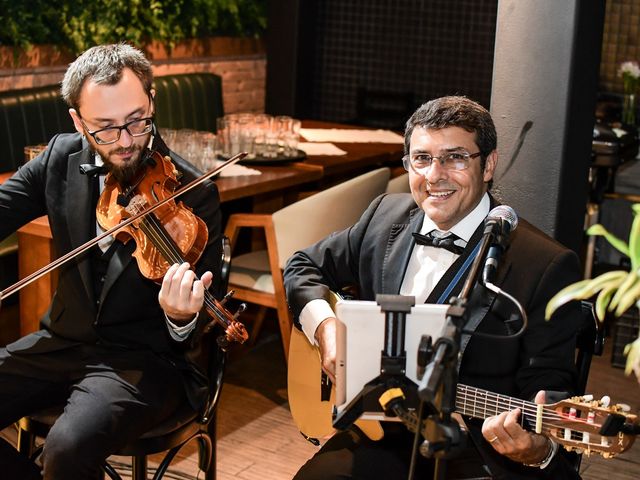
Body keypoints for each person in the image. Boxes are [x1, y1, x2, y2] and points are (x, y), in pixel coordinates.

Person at [284, 96, 583, 479]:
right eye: (421, 159)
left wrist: (537, 449)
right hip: (383, 427)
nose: (434, 175)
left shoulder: (544, 264)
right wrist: (326, 330)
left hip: (474, 446)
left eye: (455, 158)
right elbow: (302, 266)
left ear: (488, 164)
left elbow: (550, 388)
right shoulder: (383, 215)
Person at [0, 43, 224, 479]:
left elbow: (204, 323)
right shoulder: (60, 159)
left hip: (146, 361)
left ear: (152, 101)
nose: (125, 141)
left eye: (137, 120)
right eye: (105, 128)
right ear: (78, 122)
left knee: (67, 448)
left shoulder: (193, 193)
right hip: (63, 342)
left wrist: (181, 317)